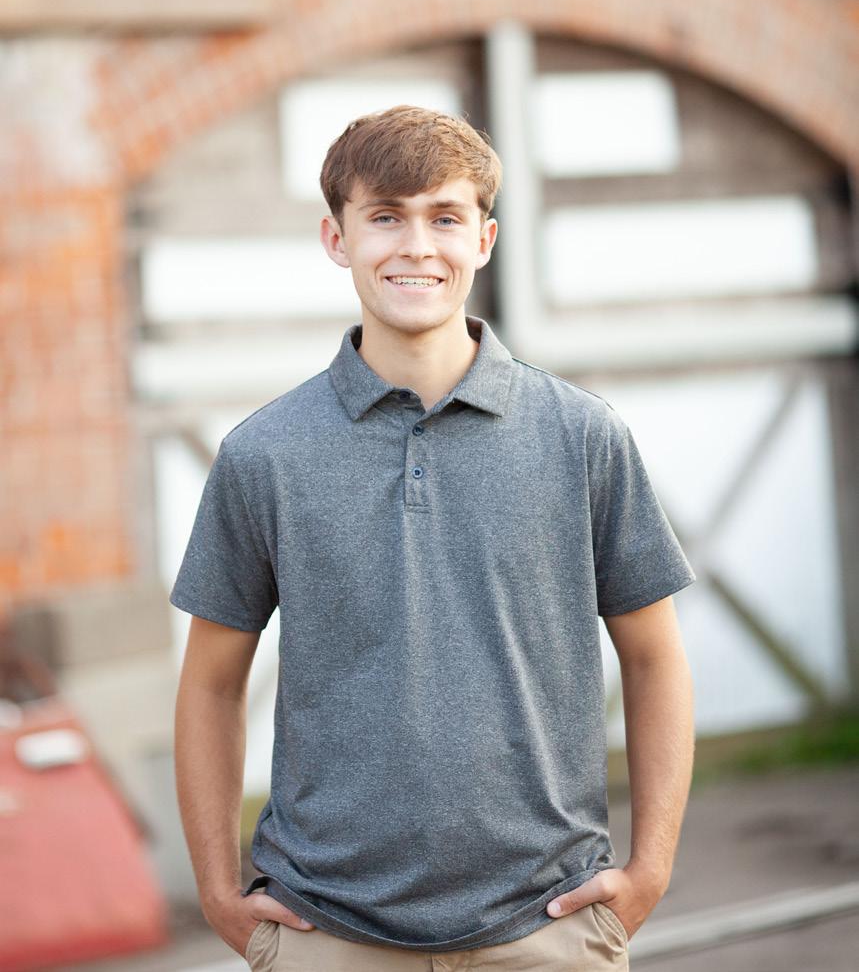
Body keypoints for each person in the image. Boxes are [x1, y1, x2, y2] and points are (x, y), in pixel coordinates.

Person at [171, 105, 697, 972]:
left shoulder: (581, 435)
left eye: (444, 218)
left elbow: (654, 658)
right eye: (385, 216)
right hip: (326, 933)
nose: (416, 245)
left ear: (482, 240)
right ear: (337, 238)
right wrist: (219, 893)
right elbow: (210, 683)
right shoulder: (263, 455)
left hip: (548, 925)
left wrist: (650, 870)